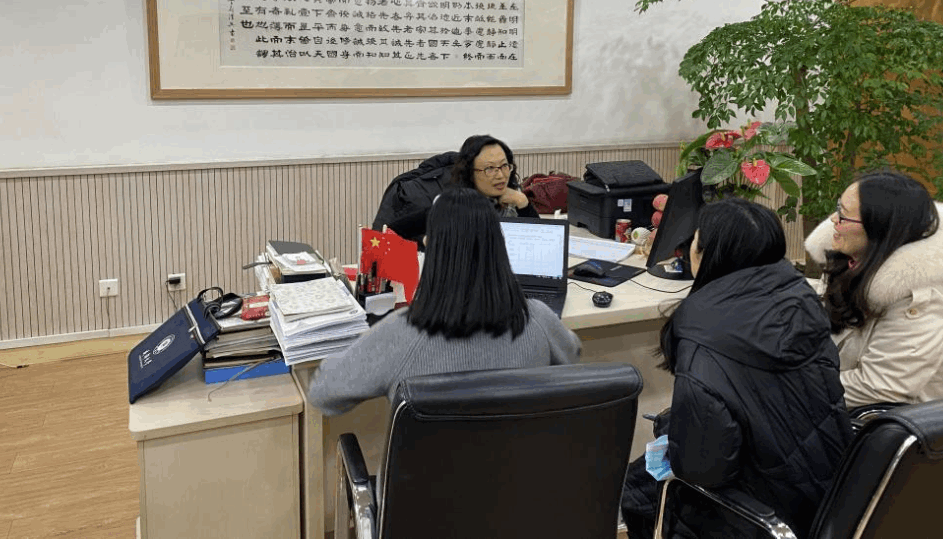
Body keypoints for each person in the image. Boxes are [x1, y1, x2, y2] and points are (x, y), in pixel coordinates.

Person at [621, 198, 851, 539]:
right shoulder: (801, 299)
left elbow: (702, 469)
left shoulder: (704, 336)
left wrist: (673, 430)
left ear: (708, 255)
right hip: (832, 494)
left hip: (761, 516)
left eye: (695, 240)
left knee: (635, 490)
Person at [307, 186, 581, 416]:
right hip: (523, 464)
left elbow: (323, 393)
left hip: (428, 467)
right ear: (498, 245)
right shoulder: (537, 317)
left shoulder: (401, 332)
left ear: (431, 246)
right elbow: (572, 354)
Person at [805, 170, 943, 408]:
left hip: (893, 421)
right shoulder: (853, 261)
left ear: (878, 228)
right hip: (844, 407)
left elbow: (879, 387)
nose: (833, 219)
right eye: (838, 207)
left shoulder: (921, 302)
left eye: (844, 215)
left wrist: (796, 387)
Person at [381, 134, 538, 245]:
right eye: (489, 168)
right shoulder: (453, 205)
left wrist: (523, 203)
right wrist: (425, 241)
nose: (500, 175)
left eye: (504, 166)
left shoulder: (513, 198)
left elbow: (540, 242)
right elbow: (392, 230)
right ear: (470, 173)